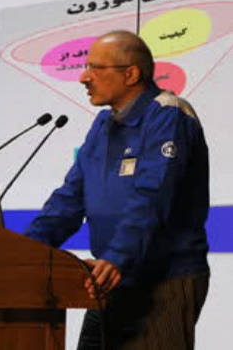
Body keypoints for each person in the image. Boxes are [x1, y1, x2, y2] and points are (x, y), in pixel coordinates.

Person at [24, 30, 210, 350]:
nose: (84, 77)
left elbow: (153, 197)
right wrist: (25, 250)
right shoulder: (103, 124)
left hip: (161, 281)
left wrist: (117, 257)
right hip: (110, 277)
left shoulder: (168, 115)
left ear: (131, 74)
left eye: (95, 68)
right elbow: (70, 197)